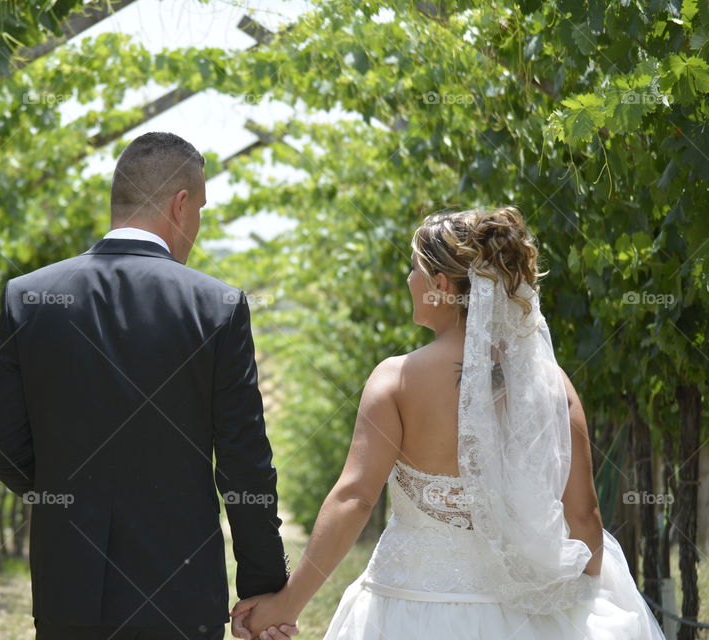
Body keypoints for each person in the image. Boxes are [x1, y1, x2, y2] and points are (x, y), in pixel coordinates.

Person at [230, 206, 665, 639]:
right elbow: (584, 516)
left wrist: (287, 603)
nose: (408, 280)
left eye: (413, 269)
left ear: (440, 285)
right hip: (528, 612)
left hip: (410, 609)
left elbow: (355, 498)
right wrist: (579, 601)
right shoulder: (552, 384)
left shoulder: (396, 379)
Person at [0, 132, 298, 640]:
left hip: (68, 588)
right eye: (201, 211)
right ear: (180, 205)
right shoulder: (216, 306)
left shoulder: (29, 296)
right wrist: (265, 585)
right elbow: (245, 463)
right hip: (181, 593)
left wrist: (69, 496)